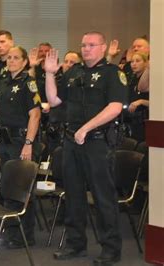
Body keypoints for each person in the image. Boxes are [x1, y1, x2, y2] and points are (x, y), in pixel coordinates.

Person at [44, 31, 127, 265]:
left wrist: (87, 128)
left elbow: (115, 107)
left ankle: (111, 249)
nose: (86, 49)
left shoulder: (112, 74)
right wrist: (50, 74)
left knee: (103, 197)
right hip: (72, 142)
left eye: (91, 45)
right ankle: (75, 245)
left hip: (97, 142)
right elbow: (54, 101)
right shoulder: (74, 72)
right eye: (83, 45)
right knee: (73, 195)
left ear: (102, 48)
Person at [0, 46, 41, 249]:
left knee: (23, 188)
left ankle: (25, 235)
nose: (11, 61)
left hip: (21, 141)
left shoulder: (28, 82)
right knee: (8, 187)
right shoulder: (4, 82)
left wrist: (28, 144)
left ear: (25, 62)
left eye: (16, 58)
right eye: (9, 58)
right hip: (5, 141)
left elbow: (35, 114)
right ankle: (12, 230)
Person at [125, 52, 149, 142]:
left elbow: (157, 103)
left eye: (138, 61)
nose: (134, 64)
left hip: (144, 122)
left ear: (146, 63)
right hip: (130, 121)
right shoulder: (131, 78)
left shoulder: (149, 80)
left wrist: (141, 101)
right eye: (132, 61)